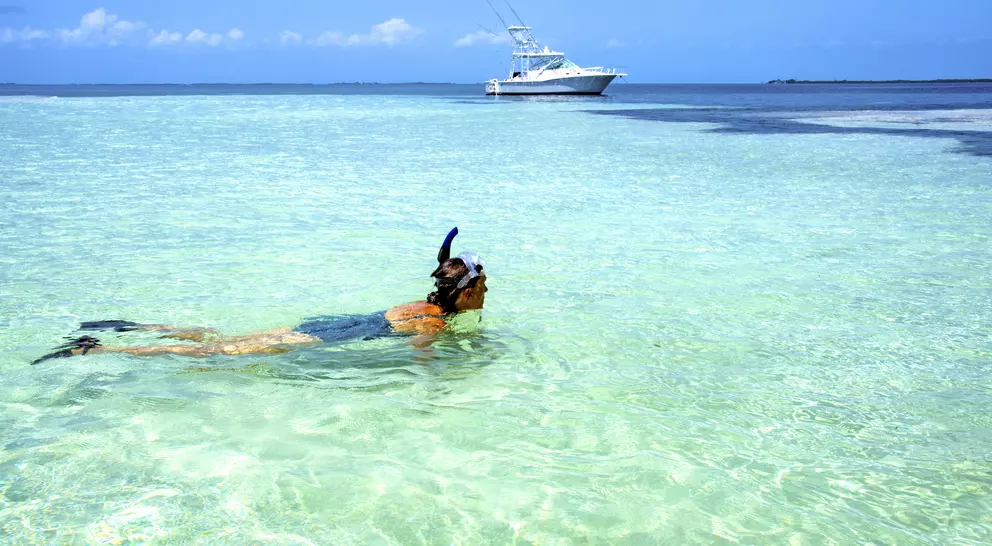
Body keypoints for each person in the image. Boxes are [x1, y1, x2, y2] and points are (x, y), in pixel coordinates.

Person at [31, 228, 487, 364]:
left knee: (219, 338)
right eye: (482, 287)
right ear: (463, 295)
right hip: (318, 341)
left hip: (318, 326)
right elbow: (420, 358)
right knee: (215, 352)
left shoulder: (417, 305)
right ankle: (103, 347)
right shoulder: (431, 323)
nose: (486, 292)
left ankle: (136, 326)